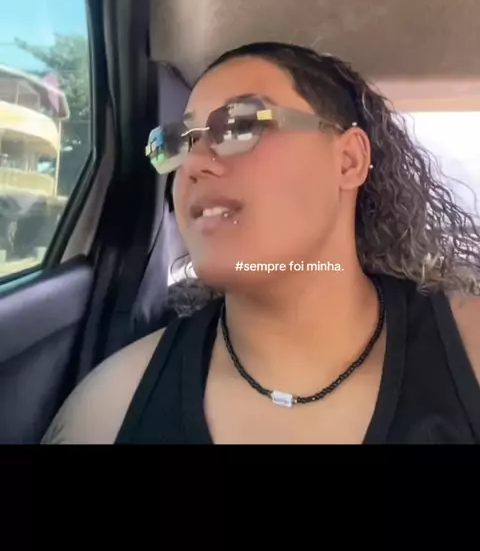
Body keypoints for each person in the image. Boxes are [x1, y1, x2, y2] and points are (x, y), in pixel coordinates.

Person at [42, 42, 480, 444]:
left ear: (348, 161)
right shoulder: (107, 412)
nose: (193, 165)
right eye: (178, 143)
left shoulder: (469, 355)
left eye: (241, 125)